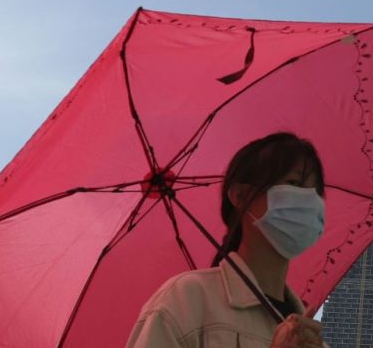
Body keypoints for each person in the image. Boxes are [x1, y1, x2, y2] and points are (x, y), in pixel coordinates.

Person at [127, 132, 329, 348]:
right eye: (294, 183)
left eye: (315, 190)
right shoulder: (185, 302)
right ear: (241, 196)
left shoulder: (312, 341)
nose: (308, 200)